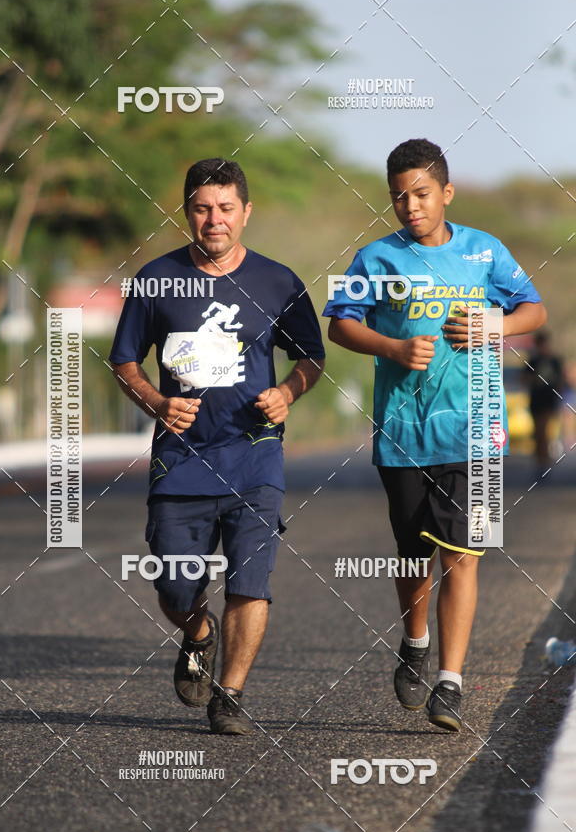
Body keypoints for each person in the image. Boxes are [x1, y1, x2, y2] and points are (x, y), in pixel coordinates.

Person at [324, 138, 546, 732]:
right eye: (399, 197)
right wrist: (392, 346)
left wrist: (490, 322)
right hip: (403, 431)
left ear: (446, 193)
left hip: (476, 429)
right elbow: (340, 325)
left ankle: (451, 680)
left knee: (463, 556)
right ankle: (415, 640)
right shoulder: (375, 258)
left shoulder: (485, 251)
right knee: (414, 552)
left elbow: (533, 310)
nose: (410, 206)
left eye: (421, 194)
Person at [110, 158, 325, 735]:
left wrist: (288, 391)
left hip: (255, 455)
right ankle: (198, 633)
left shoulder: (278, 282)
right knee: (176, 586)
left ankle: (229, 695)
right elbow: (124, 360)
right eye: (203, 208)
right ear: (188, 213)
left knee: (250, 581)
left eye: (226, 208)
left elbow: (312, 357)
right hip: (181, 460)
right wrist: (157, 403)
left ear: (246, 212)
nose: (215, 220)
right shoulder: (155, 280)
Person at [522, 331, 563, 468]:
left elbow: (560, 381)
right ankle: (541, 458)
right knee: (538, 432)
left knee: (543, 429)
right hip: (536, 400)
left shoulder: (554, 360)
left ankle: (544, 460)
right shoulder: (533, 361)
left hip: (549, 400)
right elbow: (524, 378)